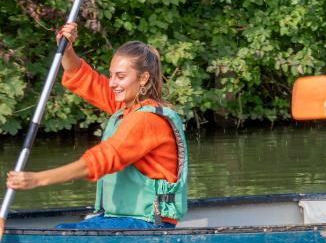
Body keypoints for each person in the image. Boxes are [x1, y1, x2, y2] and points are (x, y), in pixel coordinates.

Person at [5, 23, 188, 229]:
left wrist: (37, 179)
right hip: (121, 217)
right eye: (111, 75)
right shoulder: (126, 107)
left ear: (143, 78)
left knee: (64, 234)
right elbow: (85, 79)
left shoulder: (146, 120)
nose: (111, 83)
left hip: (149, 222)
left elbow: (102, 159)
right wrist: (67, 49)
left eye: (120, 76)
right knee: (65, 231)